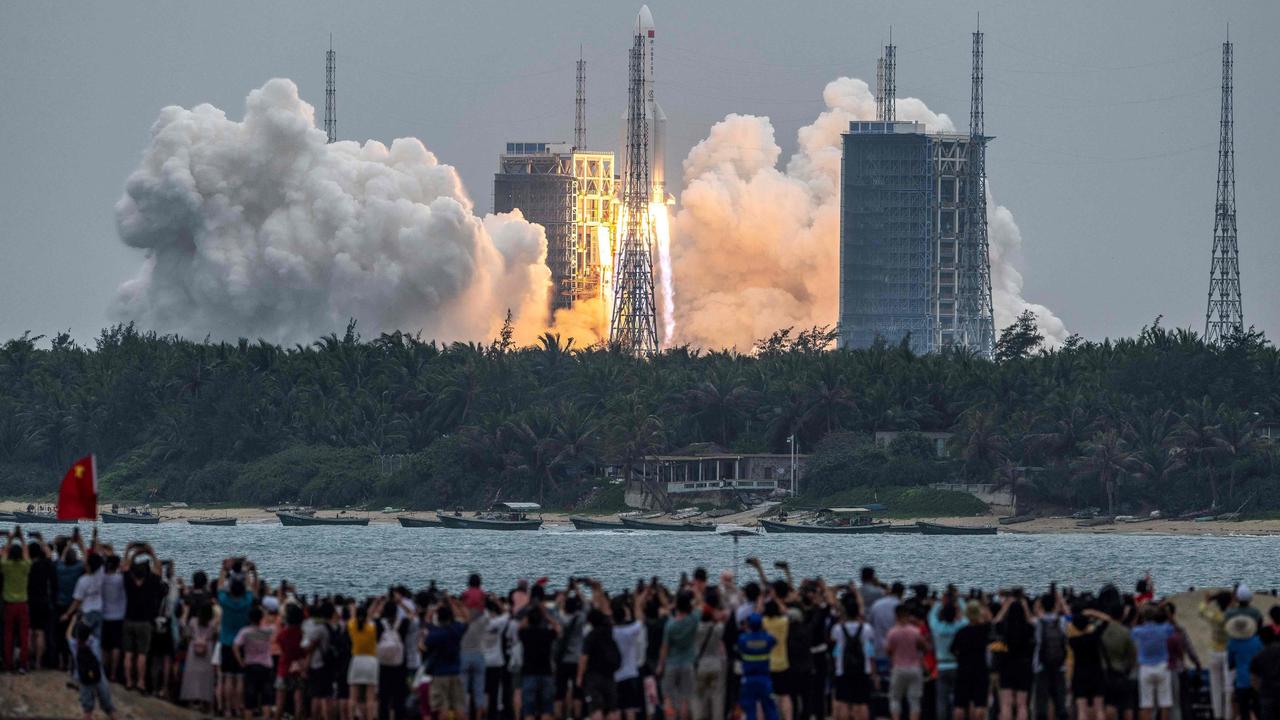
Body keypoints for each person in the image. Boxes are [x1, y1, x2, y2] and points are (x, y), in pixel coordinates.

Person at [218, 562, 257, 718]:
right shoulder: (247, 602)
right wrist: (247, 571)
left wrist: (224, 569)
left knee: (227, 677)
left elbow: (220, 587)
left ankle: (227, 709)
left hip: (226, 642)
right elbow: (249, 588)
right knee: (240, 679)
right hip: (242, 643)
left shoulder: (225, 601)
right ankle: (239, 707)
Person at [122, 547, 163, 692]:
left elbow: (124, 566)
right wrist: (151, 553)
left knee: (128, 653)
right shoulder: (151, 582)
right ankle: (140, 682)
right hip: (144, 622)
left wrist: (130, 552)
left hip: (128, 619)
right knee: (141, 654)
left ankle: (128, 681)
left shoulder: (128, 581)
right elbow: (158, 569)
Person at [830, 589, 874, 720]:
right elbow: (869, 645)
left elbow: (833, 640)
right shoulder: (866, 628)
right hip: (863, 668)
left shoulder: (838, 629)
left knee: (844, 701)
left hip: (843, 669)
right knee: (861, 703)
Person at [424, 595, 468, 720]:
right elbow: (467, 620)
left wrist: (434, 608)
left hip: (439, 673)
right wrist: (457, 605)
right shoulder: (457, 630)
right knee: (459, 707)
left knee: (442, 708)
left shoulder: (435, 633)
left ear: (438, 618)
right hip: (455, 672)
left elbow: (426, 622)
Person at [994, 592, 1035, 720]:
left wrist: (1006, 606)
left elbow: (996, 622)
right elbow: (1032, 623)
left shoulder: (1005, 629)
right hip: (1023, 665)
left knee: (1006, 704)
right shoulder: (1028, 629)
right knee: (1022, 704)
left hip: (1007, 666)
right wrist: (1025, 607)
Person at [1131, 604, 1176, 720]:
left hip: (1145, 667)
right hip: (1162, 666)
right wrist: (1167, 613)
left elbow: (1133, 628)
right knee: (1165, 703)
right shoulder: (1163, 629)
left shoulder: (1140, 631)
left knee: (1146, 704)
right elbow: (1173, 626)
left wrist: (1138, 613)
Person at [660, 590, 700, 720]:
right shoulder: (693, 619)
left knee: (668, 697)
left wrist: (661, 665)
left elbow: (665, 647)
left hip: (672, 663)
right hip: (688, 662)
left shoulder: (670, 625)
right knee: (685, 699)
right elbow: (700, 604)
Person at [885, 604, 929, 720]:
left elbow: (888, 651)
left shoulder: (892, 632)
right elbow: (925, 647)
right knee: (914, 700)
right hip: (914, 668)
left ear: (896, 616)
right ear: (908, 616)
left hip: (898, 667)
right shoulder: (915, 631)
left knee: (895, 698)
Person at [578, 605, 621, 720]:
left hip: (593, 675)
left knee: (596, 707)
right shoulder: (609, 631)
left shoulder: (590, 636)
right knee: (612, 707)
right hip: (610, 673)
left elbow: (584, 657)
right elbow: (608, 612)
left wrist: (580, 677)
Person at [929, 591, 968, 720]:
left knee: (941, 701)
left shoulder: (938, 628)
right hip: (957, 665)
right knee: (957, 700)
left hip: (942, 667)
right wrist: (959, 601)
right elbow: (966, 618)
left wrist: (940, 602)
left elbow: (931, 617)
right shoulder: (959, 627)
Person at [234, 605, 277, 720]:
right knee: (266, 698)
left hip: (250, 665)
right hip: (266, 665)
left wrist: (240, 661)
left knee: (249, 698)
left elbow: (235, 646)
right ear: (261, 618)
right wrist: (265, 615)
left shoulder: (245, 631)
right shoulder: (268, 631)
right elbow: (274, 623)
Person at [519, 601, 560, 720]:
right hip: (546, 672)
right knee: (547, 709)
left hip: (529, 673)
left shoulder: (525, 634)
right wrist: (546, 614)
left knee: (529, 710)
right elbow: (557, 628)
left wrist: (528, 614)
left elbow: (520, 627)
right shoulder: (546, 634)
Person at [951, 600, 992, 720]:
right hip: (980, 669)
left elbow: (953, 649)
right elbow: (991, 621)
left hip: (963, 669)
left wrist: (961, 657)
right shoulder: (984, 630)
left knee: (959, 704)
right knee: (980, 703)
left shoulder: (961, 632)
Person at [1, 525, 34, 672]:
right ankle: (23, 664)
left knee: (8, 635)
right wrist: (21, 538)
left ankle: (8, 664)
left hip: (9, 605)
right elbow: (26, 553)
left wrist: (9, 539)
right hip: (22, 604)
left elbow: (5, 553)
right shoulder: (25, 566)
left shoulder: (5, 565)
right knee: (23, 635)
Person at [71, 620, 118, 720]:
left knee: (87, 709)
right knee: (108, 705)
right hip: (98, 674)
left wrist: (73, 620)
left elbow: (67, 635)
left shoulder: (74, 645)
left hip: (83, 677)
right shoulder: (94, 642)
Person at [691, 589, 726, 720]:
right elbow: (721, 617)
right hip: (716, 664)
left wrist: (697, 600)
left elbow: (694, 613)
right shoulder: (718, 628)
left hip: (700, 665)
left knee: (698, 697)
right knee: (717, 697)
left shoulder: (696, 629)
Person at [1033, 591, 1069, 720]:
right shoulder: (1062, 622)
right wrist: (1060, 600)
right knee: (1060, 703)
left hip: (1041, 666)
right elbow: (1069, 615)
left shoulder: (1038, 623)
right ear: (1055, 606)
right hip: (1060, 665)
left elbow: (1036, 613)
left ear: (1041, 606)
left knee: (1041, 703)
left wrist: (1039, 602)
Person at [1066, 606, 1106, 720]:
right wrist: (1093, 612)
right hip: (1096, 674)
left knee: (1082, 710)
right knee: (1099, 709)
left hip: (1079, 675)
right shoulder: (1095, 637)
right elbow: (1109, 621)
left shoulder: (1073, 641)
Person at [1199, 590, 1235, 720]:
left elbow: (1202, 611)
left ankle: (1217, 715)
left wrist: (1207, 601)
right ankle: (1228, 715)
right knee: (1228, 687)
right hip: (1227, 651)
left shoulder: (1214, 615)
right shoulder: (1232, 616)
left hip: (1214, 651)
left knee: (1215, 686)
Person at [737, 613, 780, 720]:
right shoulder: (767, 639)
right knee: (770, 708)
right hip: (764, 678)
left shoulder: (743, 639)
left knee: (750, 709)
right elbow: (775, 641)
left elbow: (739, 645)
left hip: (749, 679)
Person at [349, 598, 383, 720]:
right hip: (371, 661)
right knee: (370, 697)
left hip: (357, 660)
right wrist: (376, 602)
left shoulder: (352, 626)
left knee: (353, 696)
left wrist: (352, 606)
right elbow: (369, 617)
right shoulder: (371, 627)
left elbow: (353, 616)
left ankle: (352, 716)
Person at [26, 534, 57, 669]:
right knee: (40, 633)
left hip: (28, 600)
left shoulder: (26, 565)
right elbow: (50, 556)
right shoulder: (45, 565)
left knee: (29, 632)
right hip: (43, 601)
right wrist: (41, 539)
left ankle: (28, 660)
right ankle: (38, 662)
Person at [180, 601, 218, 709]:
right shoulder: (213, 623)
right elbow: (215, 636)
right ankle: (203, 700)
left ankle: (191, 699)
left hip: (193, 648)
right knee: (205, 676)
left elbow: (187, 634)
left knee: (191, 675)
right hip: (208, 649)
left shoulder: (193, 621)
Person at [1225, 616, 1261, 720]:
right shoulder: (1257, 641)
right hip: (1256, 682)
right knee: (1258, 710)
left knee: (1243, 711)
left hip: (1241, 681)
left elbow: (1230, 663)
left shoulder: (1232, 643)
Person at [276, 602, 307, 720]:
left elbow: (280, 643)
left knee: (280, 701)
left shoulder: (284, 633)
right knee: (298, 699)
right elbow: (304, 650)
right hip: (299, 667)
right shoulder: (302, 633)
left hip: (284, 666)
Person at [99, 554, 126, 682]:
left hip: (104, 615)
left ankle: (104, 670)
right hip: (118, 616)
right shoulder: (120, 579)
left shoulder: (102, 578)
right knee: (115, 646)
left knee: (105, 647)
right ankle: (113, 673)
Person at [1248, 627, 1280, 720]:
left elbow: (1253, 679)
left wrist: (1260, 690)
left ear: (1261, 639)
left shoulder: (1258, 656)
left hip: (1267, 694)